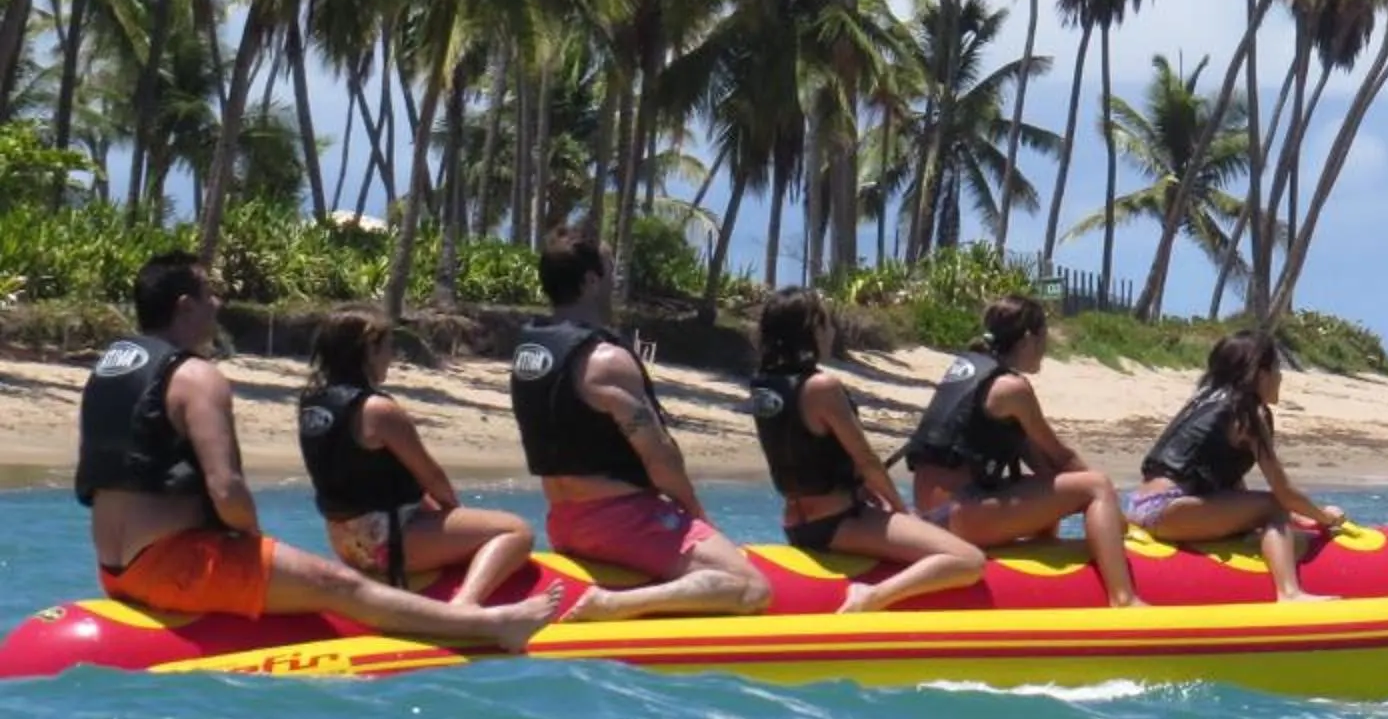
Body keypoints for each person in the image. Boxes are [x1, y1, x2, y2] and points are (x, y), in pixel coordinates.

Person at [78, 253, 561, 646]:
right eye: (210, 294)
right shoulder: (196, 376)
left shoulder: (110, 369)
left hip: (114, 568)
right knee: (341, 586)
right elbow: (226, 490)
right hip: (177, 566)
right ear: (185, 305)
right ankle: (492, 625)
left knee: (321, 575)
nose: (218, 303)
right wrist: (254, 546)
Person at [512, 228, 770, 620]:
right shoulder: (605, 361)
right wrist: (696, 516)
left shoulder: (529, 355)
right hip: (623, 522)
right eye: (610, 271)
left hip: (563, 521)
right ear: (590, 281)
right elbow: (660, 456)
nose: (614, 284)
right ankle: (611, 604)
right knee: (753, 588)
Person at [298, 307, 559, 610]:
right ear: (368, 350)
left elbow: (363, 477)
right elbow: (432, 477)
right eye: (388, 347)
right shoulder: (378, 411)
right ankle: (466, 603)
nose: (391, 357)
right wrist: (454, 518)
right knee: (517, 531)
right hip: (387, 544)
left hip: (344, 542)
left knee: (436, 515)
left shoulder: (312, 406)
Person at [751, 289, 986, 613]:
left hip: (797, 522)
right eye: (827, 323)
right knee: (968, 560)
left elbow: (804, 453)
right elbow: (867, 460)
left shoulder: (763, 386)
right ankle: (872, 596)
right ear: (811, 330)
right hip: (837, 522)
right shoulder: (822, 388)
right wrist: (901, 511)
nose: (832, 331)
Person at [905, 297, 1143, 609]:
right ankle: (1124, 598)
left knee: (1045, 483)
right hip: (958, 516)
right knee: (1096, 485)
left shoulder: (972, 372)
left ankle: (1044, 566)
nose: (1048, 346)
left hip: (937, 512)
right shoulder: (1012, 389)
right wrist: (1113, 509)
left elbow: (1044, 466)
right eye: (1046, 336)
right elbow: (1062, 457)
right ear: (1029, 338)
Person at [1126, 329, 1349, 602]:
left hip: (1140, 507)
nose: (1280, 377)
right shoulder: (1249, 413)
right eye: (1277, 368)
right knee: (1272, 505)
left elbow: (1229, 488)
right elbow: (1284, 492)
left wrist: (1298, 519)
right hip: (1167, 511)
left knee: (1266, 509)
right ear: (1261, 375)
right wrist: (1323, 516)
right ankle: (1289, 593)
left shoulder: (1204, 400)